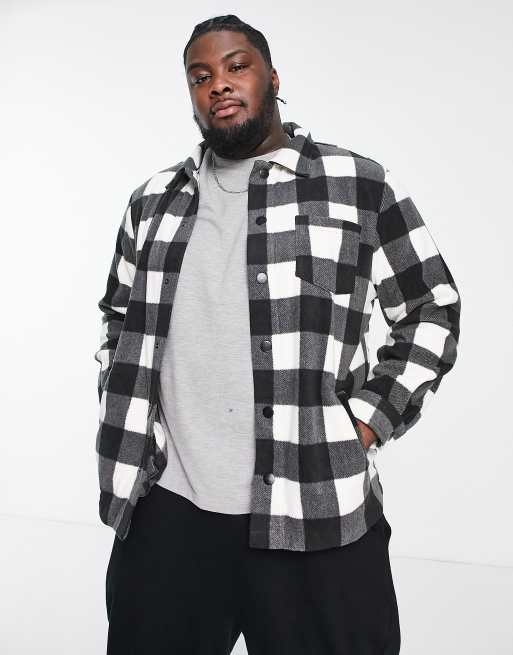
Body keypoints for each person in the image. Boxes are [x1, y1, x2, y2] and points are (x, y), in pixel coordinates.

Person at [94, 14, 461, 655]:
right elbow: (118, 319)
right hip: (170, 512)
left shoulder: (358, 184)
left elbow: (432, 307)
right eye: (200, 76)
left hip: (316, 507)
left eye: (237, 66)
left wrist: (367, 420)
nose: (219, 84)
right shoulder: (152, 202)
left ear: (273, 78)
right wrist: (127, 412)